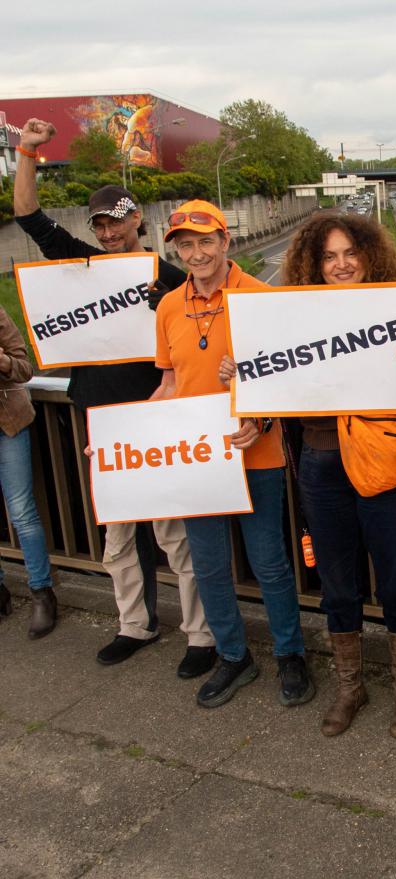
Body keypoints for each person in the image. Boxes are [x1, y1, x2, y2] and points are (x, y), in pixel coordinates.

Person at [13, 118, 215, 678]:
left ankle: (200, 634)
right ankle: (135, 625)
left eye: (116, 221)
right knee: (118, 535)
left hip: (155, 419)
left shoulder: (171, 277)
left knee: (174, 534)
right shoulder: (82, 265)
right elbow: (28, 215)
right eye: (99, 224)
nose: (107, 233)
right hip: (99, 421)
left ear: (137, 220)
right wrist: (26, 153)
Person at [220, 211, 396, 738]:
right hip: (320, 464)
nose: (341, 264)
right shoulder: (293, 321)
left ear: (369, 256)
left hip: (386, 461)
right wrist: (247, 385)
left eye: (350, 253)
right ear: (314, 264)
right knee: (337, 584)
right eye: (329, 256)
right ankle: (350, 687)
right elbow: (279, 394)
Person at [153, 199, 311, 710]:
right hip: (198, 460)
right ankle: (233, 656)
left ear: (225, 241)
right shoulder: (168, 307)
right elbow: (169, 383)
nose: (196, 253)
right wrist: (123, 436)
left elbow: (286, 380)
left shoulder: (261, 298)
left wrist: (259, 419)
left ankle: (290, 654)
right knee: (209, 566)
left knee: (270, 564)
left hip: (256, 455)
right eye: (185, 245)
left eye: (205, 241)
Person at [0, 305, 56, 638]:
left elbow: (25, 368)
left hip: (8, 425)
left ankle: (42, 592)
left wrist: (4, 362)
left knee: (22, 513)